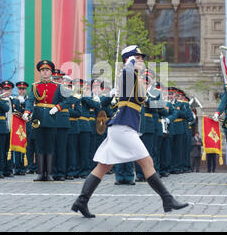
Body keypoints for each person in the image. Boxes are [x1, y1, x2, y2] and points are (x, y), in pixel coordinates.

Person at [70, 45, 190, 218]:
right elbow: (126, 74)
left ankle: (81, 201)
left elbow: (140, 95)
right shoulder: (127, 74)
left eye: (141, 58)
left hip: (124, 127)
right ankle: (167, 199)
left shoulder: (133, 77)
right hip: (123, 128)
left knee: (104, 166)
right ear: (130, 59)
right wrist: (129, 64)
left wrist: (135, 70)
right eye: (138, 57)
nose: (141, 60)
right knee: (147, 162)